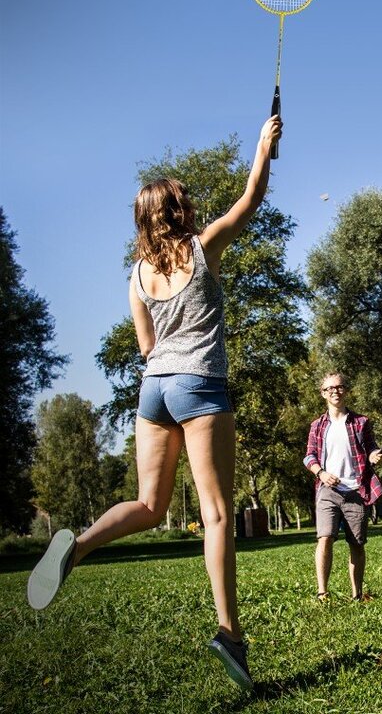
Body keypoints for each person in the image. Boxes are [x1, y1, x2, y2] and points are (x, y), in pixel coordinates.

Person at [27, 115, 283, 692]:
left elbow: (145, 346)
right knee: (216, 514)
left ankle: (81, 544)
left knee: (149, 503)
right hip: (198, 383)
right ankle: (229, 631)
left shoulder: (137, 275)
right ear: (178, 212)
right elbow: (252, 198)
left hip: (154, 389)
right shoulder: (203, 247)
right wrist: (263, 147)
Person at [303, 371, 382, 601]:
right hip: (328, 490)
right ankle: (322, 593)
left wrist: (374, 456)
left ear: (345, 390)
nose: (335, 391)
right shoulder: (317, 425)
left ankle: (357, 595)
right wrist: (321, 472)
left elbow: (371, 449)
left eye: (339, 387)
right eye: (329, 388)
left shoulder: (361, 422)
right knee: (325, 537)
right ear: (323, 394)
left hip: (356, 490)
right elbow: (309, 457)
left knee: (356, 543)